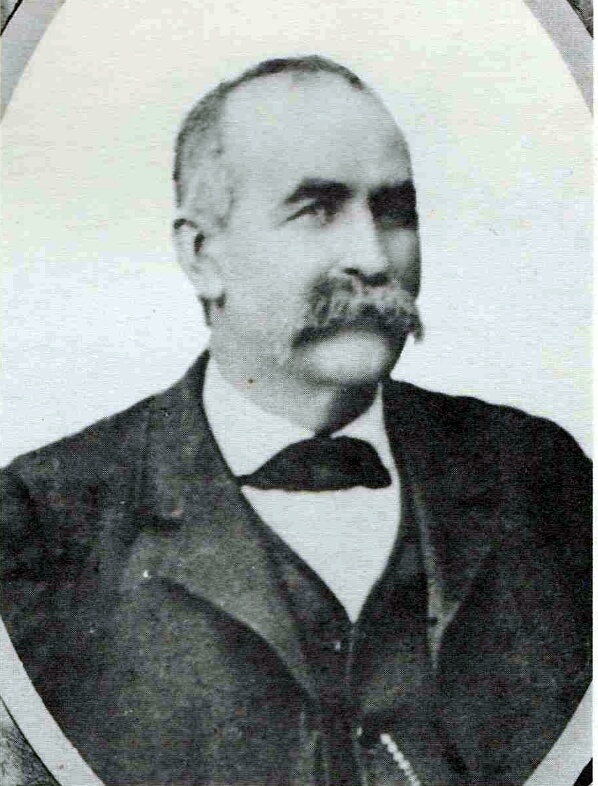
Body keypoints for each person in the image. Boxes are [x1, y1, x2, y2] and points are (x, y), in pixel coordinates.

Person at [1, 56, 591, 786]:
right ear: (202, 256)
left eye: (394, 211)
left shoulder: (540, 475)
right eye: (317, 209)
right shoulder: (43, 521)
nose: (372, 257)